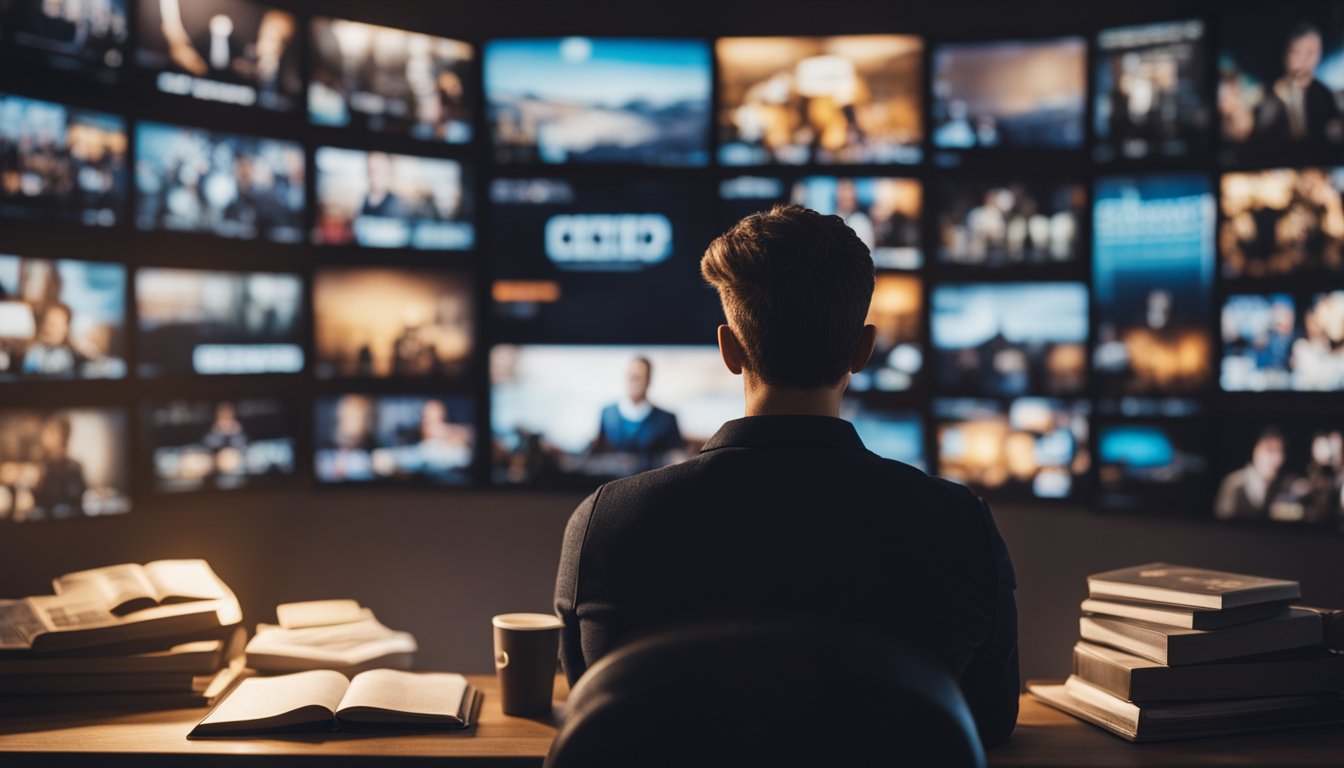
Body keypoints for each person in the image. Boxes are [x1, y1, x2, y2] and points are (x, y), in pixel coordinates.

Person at [555, 204, 1019, 747]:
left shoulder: (606, 524)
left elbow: (594, 731)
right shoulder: (960, 526)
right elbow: (988, 726)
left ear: (729, 349)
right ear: (863, 351)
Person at [1252, 24, 1344, 145]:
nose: (1305, 60)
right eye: (1298, 52)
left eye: (1312, 52)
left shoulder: (1325, 95)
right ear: (1286, 53)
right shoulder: (1266, 95)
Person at [590, 356, 683, 467]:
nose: (633, 382)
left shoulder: (666, 419)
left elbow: (678, 460)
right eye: (631, 376)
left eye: (638, 377)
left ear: (648, 381)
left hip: (652, 481)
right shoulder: (607, 414)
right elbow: (596, 456)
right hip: (613, 481)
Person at [1215, 427, 1287, 520]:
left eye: (1280, 451)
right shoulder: (1234, 484)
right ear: (1256, 450)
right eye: (1270, 450)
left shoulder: (1281, 486)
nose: (1277, 459)